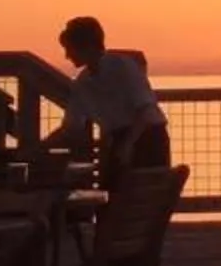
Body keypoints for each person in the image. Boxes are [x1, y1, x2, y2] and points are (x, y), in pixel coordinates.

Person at [20, 16, 170, 172]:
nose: (67, 55)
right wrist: (40, 148)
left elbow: (146, 112)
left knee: (147, 190)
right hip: (118, 141)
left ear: (87, 46)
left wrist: (128, 145)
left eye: (70, 49)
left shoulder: (122, 66)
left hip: (148, 139)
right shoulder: (83, 83)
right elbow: (71, 128)